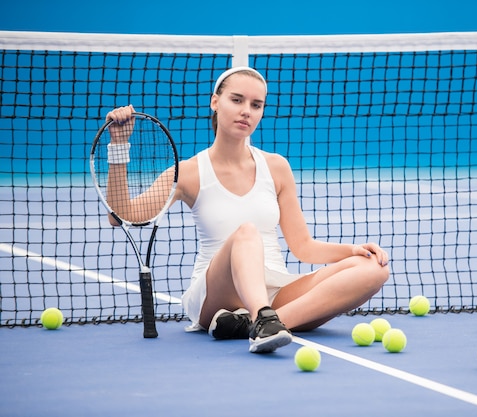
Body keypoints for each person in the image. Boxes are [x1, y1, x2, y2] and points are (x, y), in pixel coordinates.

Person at [105, 66, 390, 353]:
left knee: (373, 270)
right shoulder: (189, 172)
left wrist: (352, 250)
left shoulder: (277, 167)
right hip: (216, 295)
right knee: (246, 233)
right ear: (215, 102)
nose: (247, 111)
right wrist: (119, 146)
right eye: (237, 100)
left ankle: (260, 323)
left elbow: (303, 247)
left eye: (256, 105)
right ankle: (263, 319)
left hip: (275, 290)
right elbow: (121, 215)